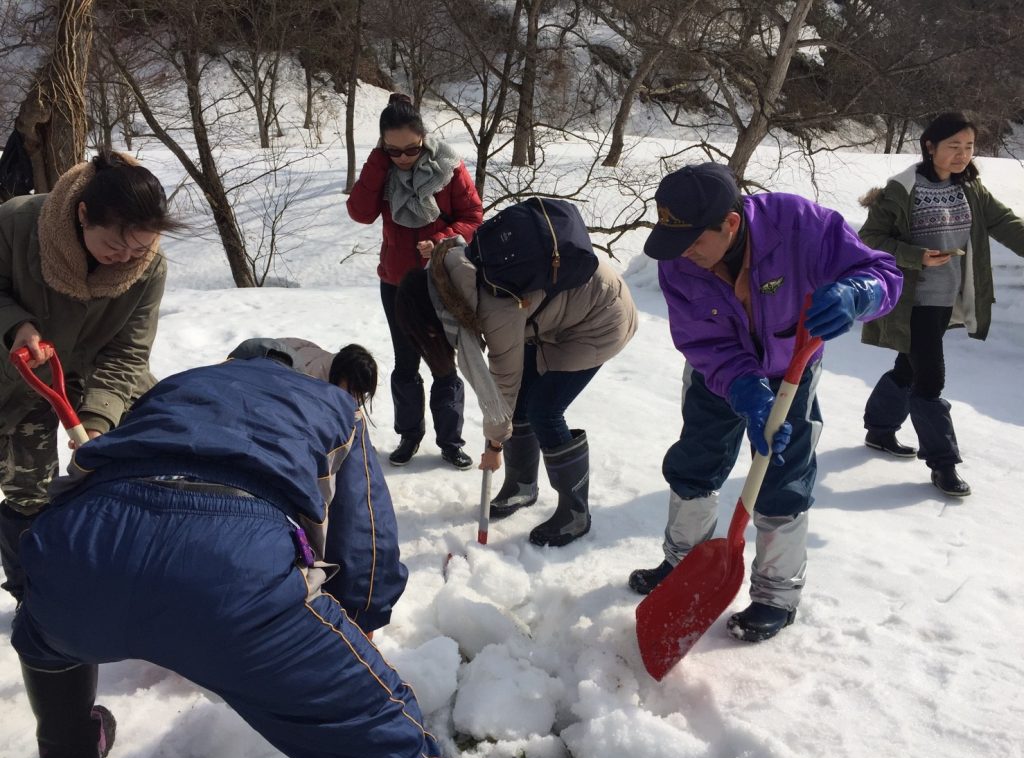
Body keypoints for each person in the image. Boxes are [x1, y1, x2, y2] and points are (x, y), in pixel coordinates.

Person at [11, 352, 445, 758]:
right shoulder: (334, 404)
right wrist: (356, 623)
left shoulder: (182, 382)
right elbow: (366, 538)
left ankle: (69, 752)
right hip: (235, 566)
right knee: (390, 739)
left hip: (82, 545)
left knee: (44, 638)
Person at [629, 162, 902, 642]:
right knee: (696, 460)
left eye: (695, 241)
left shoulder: (797, 225)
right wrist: (740, 386)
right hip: (719, 372)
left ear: (730, 224)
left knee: (783, 474)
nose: (684, 254)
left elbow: (882, 272)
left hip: (790, 368)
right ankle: (683, 563)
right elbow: (703, 341)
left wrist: (858, 293)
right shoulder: (678, 263)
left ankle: (776, 593)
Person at [0, 150, 177, 606]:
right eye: (115, 247)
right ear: (82, 215)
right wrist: (16, 325)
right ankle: (31, 596)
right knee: (29, 492)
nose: (125, 260)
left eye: (139, 249)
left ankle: (116, 574)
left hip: (84, 371)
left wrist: (98, 419)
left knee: (141, 451)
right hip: (10, 374)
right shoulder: (18, 224)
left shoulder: (148, 268)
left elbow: (128, 352)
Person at [394, 237, 638, 548]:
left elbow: (502, 386)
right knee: (524, 400)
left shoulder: (490, 303)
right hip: (560, 313)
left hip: (600, 318)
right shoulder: (449, 272)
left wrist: (494, 446)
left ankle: (575, 513)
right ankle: (522, 485)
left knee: (544, 411)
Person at [859, 112, 1024, 497]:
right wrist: (915, 256)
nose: (962, 155)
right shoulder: (902, 189)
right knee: (930, 379)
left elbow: (1003, 223)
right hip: (911, 300)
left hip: (946, 300)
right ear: (930, 146)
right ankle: (943, 465)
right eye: (953, 146)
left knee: (909, 365)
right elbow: (869, 238)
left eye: (969, 147)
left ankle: (880, 430)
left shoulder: (971, 189)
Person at [347, 93, 484, 470]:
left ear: (424, 138)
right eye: (394, 151)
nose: (404, 158)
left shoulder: (448, 167)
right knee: (405, 363)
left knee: (443, 363)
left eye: (412, 149)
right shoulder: (384, 167)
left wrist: (442, 241)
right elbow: (360, 212)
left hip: (440, 279)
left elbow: (473, 215)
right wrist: (379, 162)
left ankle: (450, 441)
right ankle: (409, 434)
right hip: (395, 281)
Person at [228, 336, 379, 410]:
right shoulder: (308, 385)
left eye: (362, 394)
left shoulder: (331, 364)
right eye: (353, 391)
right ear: (342, 374)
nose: (356, 400)